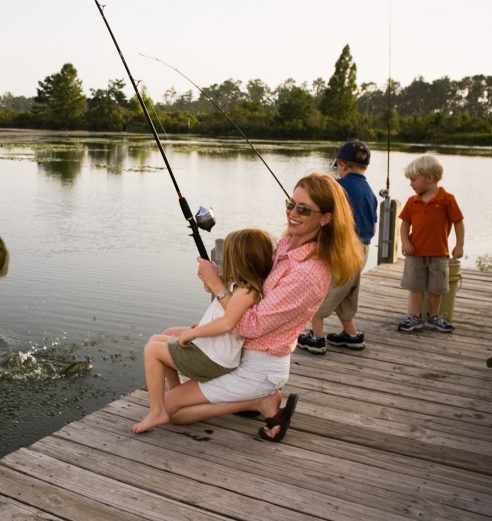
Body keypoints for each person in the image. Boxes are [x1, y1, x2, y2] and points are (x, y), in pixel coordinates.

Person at [161, 173, 364, 442]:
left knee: (171, 410)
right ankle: (216, 392)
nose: (293, 213)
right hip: (239, 347)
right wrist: (220, 280)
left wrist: (219, 288)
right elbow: (255, 286)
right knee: (167, 336)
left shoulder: (308, 273)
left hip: (259, 366)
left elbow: (251, 324)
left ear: (325, 218)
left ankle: (258, 401)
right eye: (291, 204)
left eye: (304, 209)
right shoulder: (287, 244)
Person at [132, 228, 275, 433]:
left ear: (241, 259)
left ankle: (157, 411)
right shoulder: (241, 286)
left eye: (230, 255)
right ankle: (174, 391)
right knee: (158, 338)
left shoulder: (247, 291)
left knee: (152, 350)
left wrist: (193, 333)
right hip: (214, 351)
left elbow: (228, 323)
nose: (226, 260)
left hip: (214, 358)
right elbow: (223, 313)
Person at [297, 139, 377, 354]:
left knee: (320, 293)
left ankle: (317, 338)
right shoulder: (370, 192)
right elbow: (373, 227)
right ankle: (351, 335)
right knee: (346, 292)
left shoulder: (337, 187)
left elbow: (324, 215)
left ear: (342, 165)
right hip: (362, 250)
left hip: (341, 250)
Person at [397, 154, 464, 333]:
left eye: (413, 179)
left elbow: (458, 222)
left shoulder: (447, 199)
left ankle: (434, 317)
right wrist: (404, 242)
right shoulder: (412, 202)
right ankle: (415, 316)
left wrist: (459, 245)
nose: (411, 183)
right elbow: (404, 225)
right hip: (415, 253)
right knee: (416, 286)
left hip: (439, 253)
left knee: (437, 287)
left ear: (429, 178)